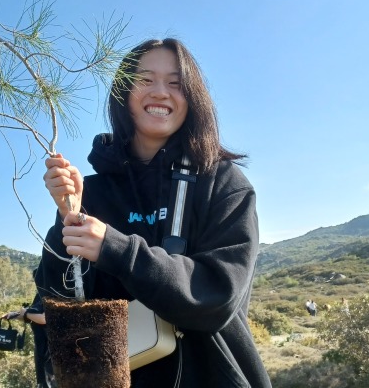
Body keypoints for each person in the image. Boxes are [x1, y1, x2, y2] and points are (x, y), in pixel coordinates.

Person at [40, 38, 272, 387]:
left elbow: (217, 295)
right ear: (123, 94)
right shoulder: (94, 191)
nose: (161, 92)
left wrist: (115, 248)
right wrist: (68, 217)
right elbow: (56, 301)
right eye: (145, 80)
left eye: (176, 83)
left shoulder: (223, 183)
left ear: (193, 98)